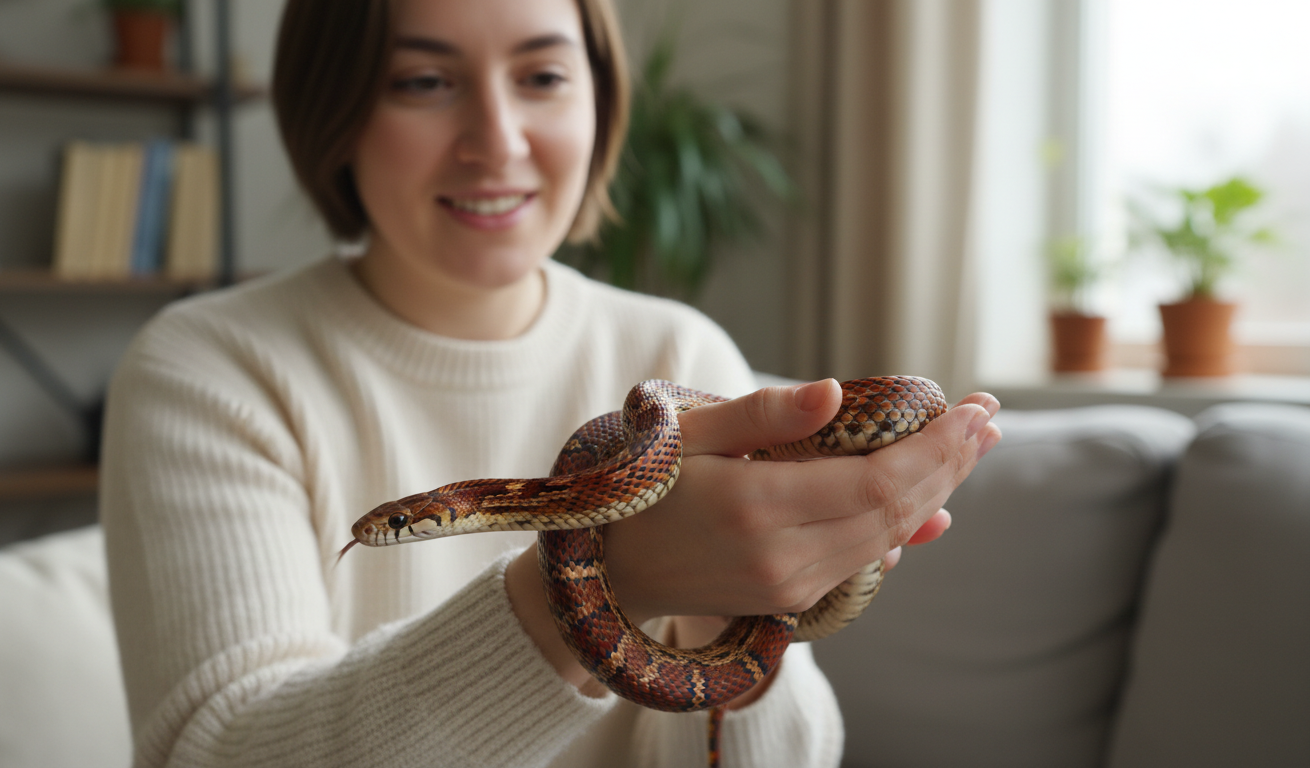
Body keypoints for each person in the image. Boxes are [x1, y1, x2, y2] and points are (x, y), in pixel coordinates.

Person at [100, 0, 1003, 765]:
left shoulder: (677, 354)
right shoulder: (210, 367)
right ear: (332, 106)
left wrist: (732, 587)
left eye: (541, 78)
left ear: (601, 102)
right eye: (423, 81)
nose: (497, 142)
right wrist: (608, 578)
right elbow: (214, 751)